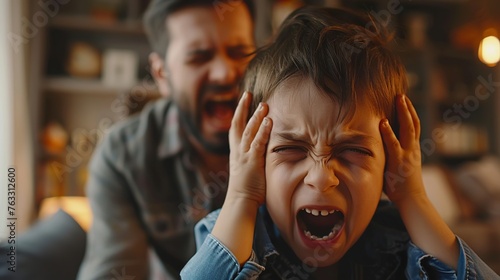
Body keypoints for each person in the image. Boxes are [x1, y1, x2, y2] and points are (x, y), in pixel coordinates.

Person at [180, 6, 500, 279]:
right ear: (256, 161)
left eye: (354, 150)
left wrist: (412, 195)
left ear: (388, 161)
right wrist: (241, 193)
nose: (320, 178)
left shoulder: (401, 236)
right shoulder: (233, 233)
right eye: (290, 149)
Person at [76, 0, 255, 279]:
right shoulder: (123, 155)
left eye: (239, 52)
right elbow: (114, 270)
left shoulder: (293, 139)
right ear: (162, 74)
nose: (225, 73)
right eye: (199, 57)